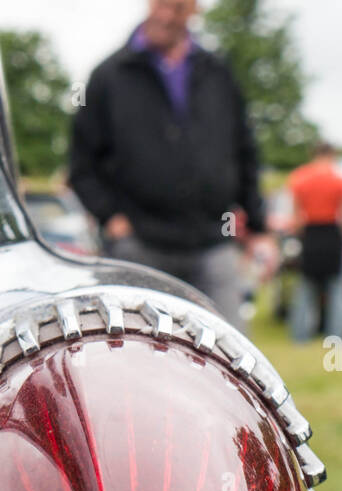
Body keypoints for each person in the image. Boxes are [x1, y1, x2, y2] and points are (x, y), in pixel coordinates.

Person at [69, 0, 276, 328]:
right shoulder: (110, 75)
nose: (166, 16)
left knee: (233, 352)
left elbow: (244, 151)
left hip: (213, 240)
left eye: (178, 7)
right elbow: (81, 164)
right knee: (137, 352)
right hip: (139, 246)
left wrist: (260, 228)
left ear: (195, 10)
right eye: (161, 4)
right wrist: (111, 218)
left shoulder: (217, 72)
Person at [285, 141, 342, 341]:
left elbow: (296, 217)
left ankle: (300, 336)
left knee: (305, 291)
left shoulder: (300, 178)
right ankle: (338, 337)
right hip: (332, 234)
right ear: (332, 154)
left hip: (310, 235)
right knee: (338, 290)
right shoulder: (340, 179)